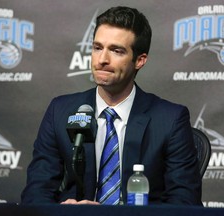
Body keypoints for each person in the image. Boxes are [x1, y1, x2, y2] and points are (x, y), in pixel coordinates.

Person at [21, 6, 202, 206]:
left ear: (140, 60)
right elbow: (37, 191)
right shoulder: (60, 111)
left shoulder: (170, 119)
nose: (102, 60)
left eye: (116, 51)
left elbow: (185, 202)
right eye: (97, 48)